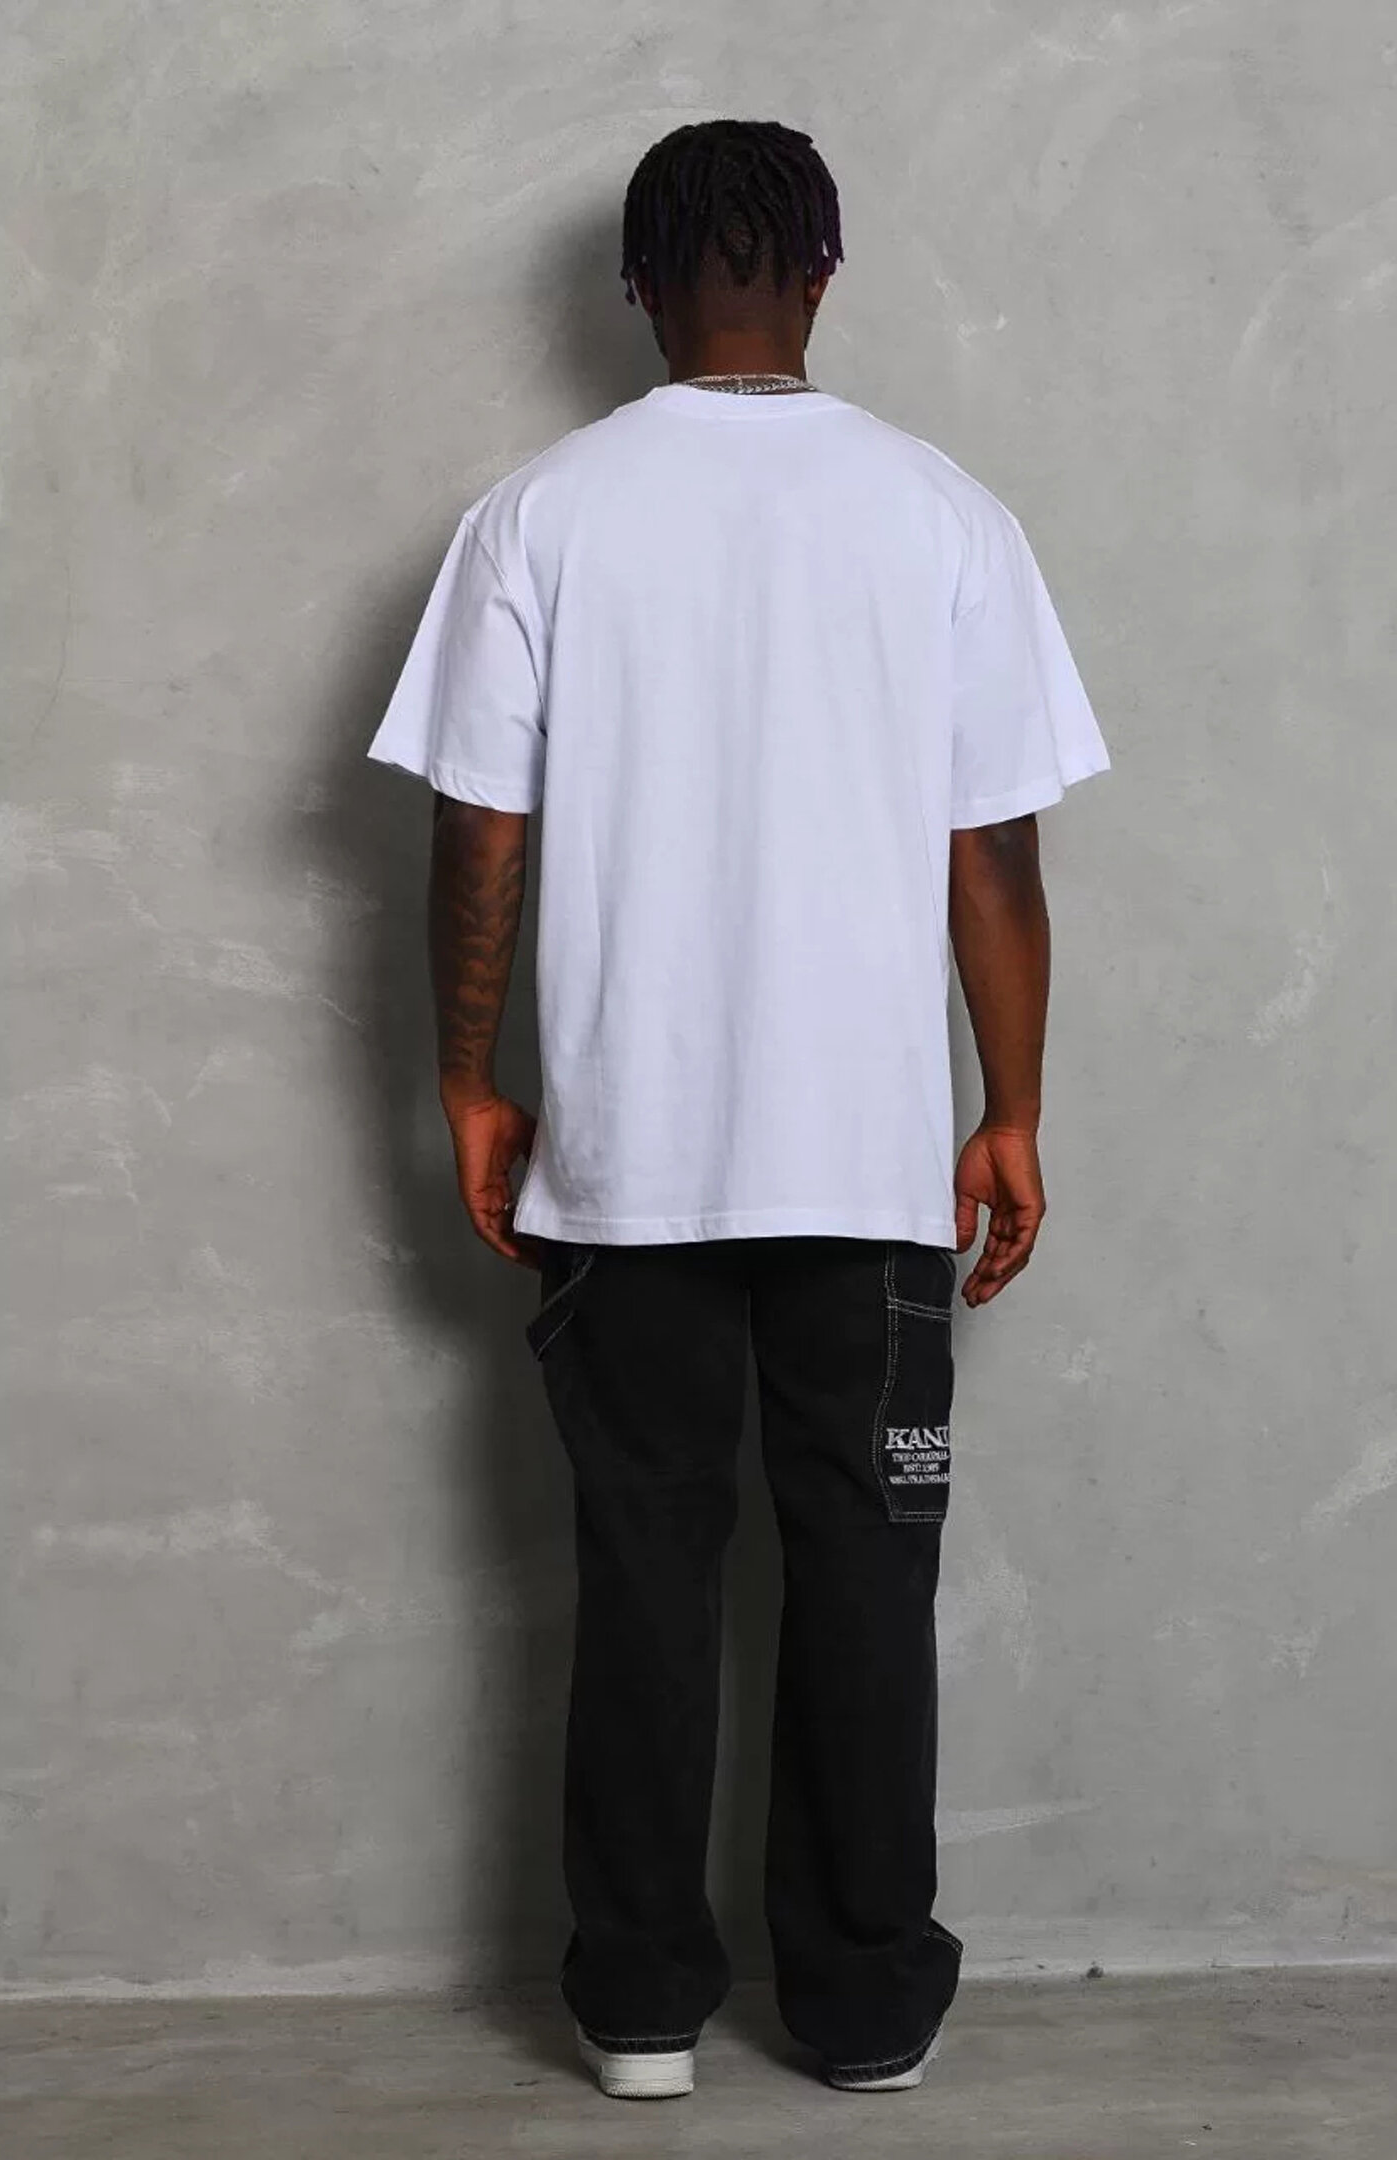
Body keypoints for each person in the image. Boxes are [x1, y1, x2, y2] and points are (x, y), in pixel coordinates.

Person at [368, 116, 1111, 2102]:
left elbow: (480, 833)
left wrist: (469, 1083)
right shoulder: (944, 514)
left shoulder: (538, 517)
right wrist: (1012, 1106)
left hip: (625, 1164)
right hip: (866, 1165)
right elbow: (991, 852)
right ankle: (864, 2010)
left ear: (636, 288)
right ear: (826, 273)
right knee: (867, 1575)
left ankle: (634, 2008)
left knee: (643, 1574)